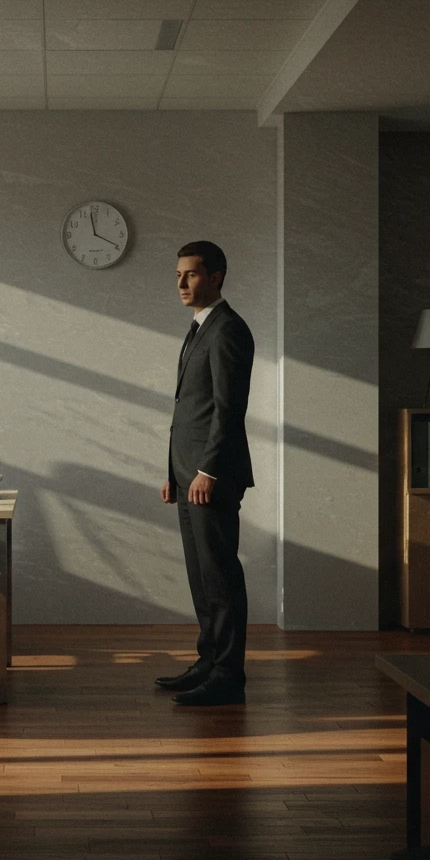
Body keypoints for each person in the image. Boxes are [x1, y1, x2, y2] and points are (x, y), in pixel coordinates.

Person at [157, 240, 254, 706]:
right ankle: (208, 661)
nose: (180, 283)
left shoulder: (228, 330)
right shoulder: (201, 327)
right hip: (188, 476)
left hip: (210, 476)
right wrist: (174, 474)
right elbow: (186, 410)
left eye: (190, 274)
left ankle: (228, 675)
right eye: (178, 274)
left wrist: (207, 471)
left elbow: (228, 410)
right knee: (201, 575)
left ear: (216, 277)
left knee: (220, 576)